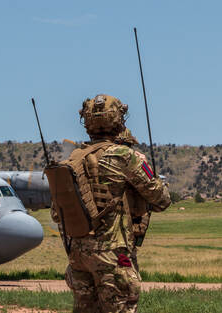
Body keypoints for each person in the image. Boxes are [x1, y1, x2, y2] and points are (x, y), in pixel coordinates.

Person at [49, 94, 171, 313]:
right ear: (118, 119)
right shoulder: (124, 156)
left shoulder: (72, 160)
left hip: (78, 255)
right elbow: (161, 199)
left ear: (87, 122)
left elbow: (56, 214)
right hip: (113, 254)